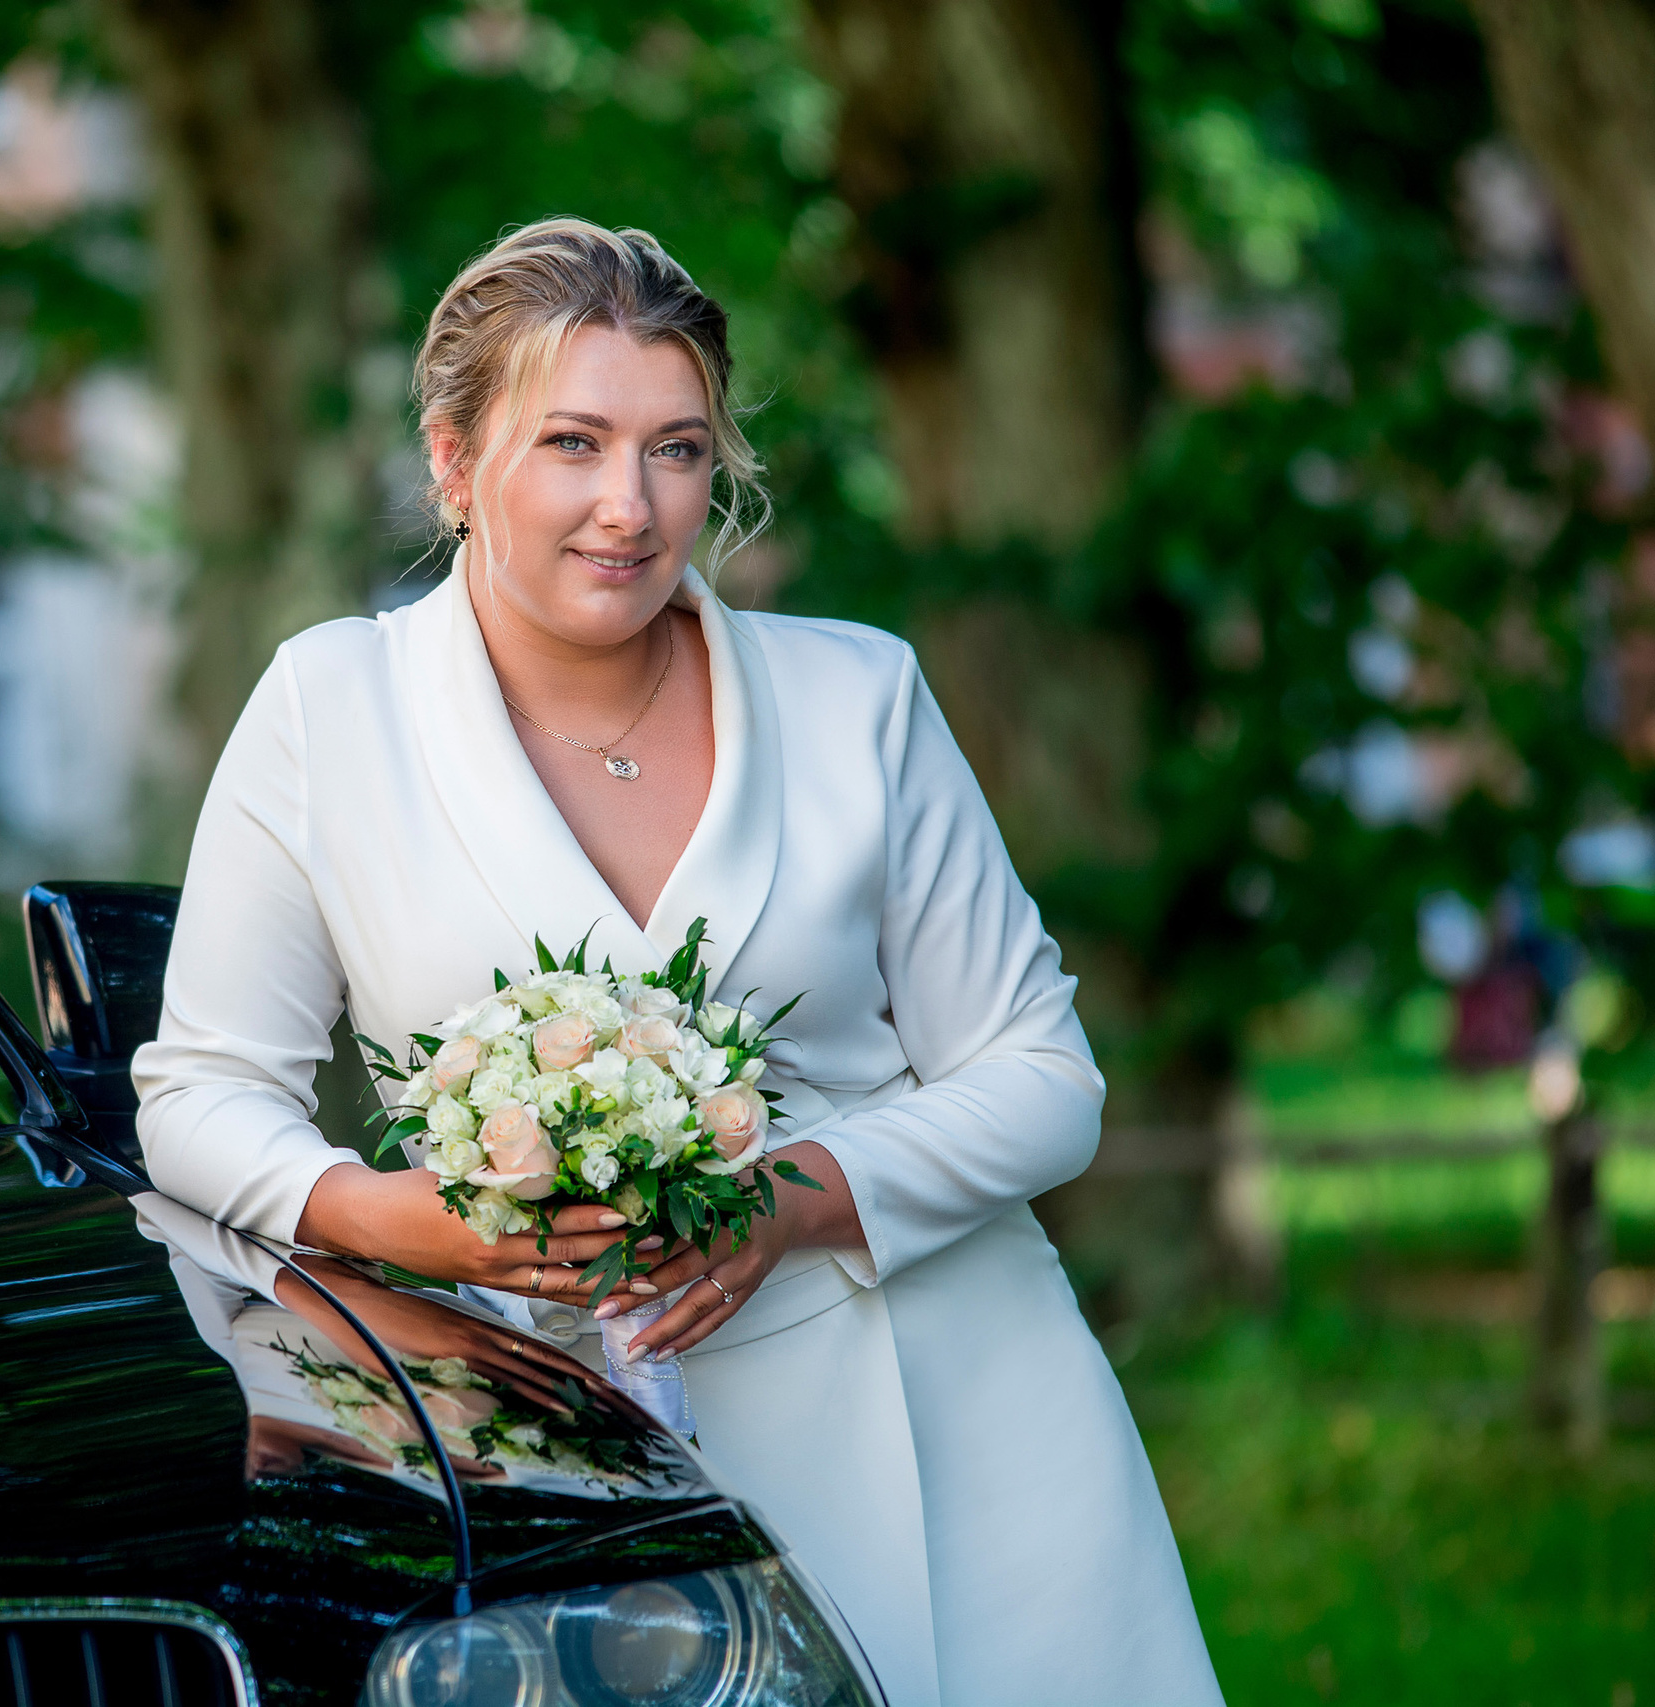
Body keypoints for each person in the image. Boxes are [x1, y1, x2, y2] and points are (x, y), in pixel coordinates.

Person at [133, 217, 1222, 1706]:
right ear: (456, 466)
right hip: (550, 1462)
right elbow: (199, 1096)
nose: (629, 507)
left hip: (953, 1410)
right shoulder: (330, 710)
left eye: (678, 450)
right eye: (572, 442)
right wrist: (407, 1224)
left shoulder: (860, 697)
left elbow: (1044, 1078)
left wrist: (787, 1201)